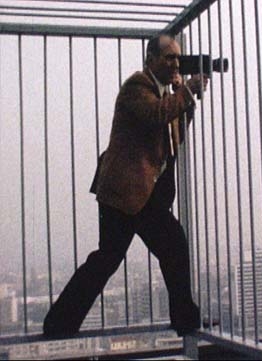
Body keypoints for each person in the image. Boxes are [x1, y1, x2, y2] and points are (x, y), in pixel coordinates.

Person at [43, 34, 209, 338]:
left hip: (138, 193)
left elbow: (172, 140)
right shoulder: (137, 87)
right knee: (160, 248)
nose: (174, 63)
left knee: (114, 257)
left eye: (177, 58)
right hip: (125, 191)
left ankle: (59, 324)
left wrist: (186, 103)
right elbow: (154, 116)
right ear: (150, 60)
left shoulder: (163, 94)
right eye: (168, 57)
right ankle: (185, 321)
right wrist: (186, 92)